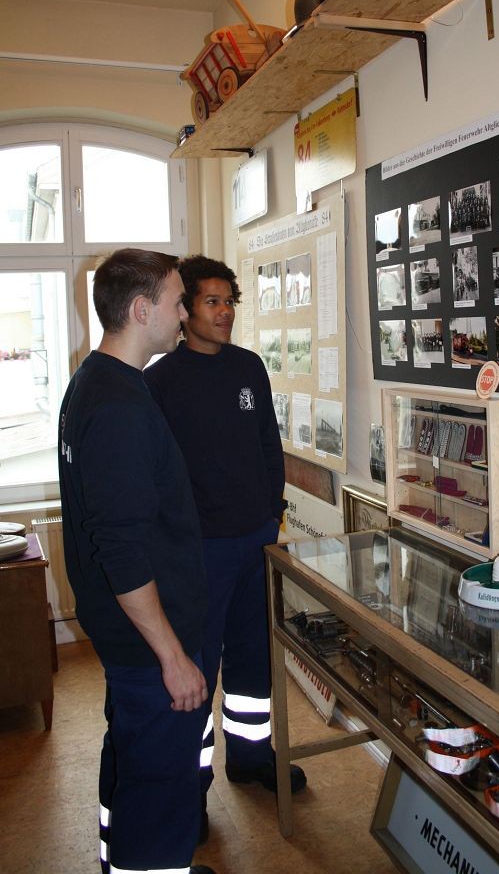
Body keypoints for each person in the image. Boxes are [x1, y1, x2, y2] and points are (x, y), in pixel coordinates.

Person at [58, 248, 216, 874]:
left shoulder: (95, 382)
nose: (185, 315)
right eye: (178, 302)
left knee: (133, 758)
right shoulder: (120, 405)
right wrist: (172, 657)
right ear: (142, 309)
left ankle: (119, 859)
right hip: (150, 641)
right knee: (157, 783)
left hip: (130, 638)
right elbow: (121, 550)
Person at [144, 255, 306, 840]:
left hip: (255, 541)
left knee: (252, 658)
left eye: (229, 300)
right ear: (184, 311)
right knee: (197, 669)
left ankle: (252, 756)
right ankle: (193, 788)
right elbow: (155, 476)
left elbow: (269, 446)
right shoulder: (158, 382)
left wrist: (272, 513)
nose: (224, 311)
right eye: (211, 301)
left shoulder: (249, 367)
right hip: (198, 554)